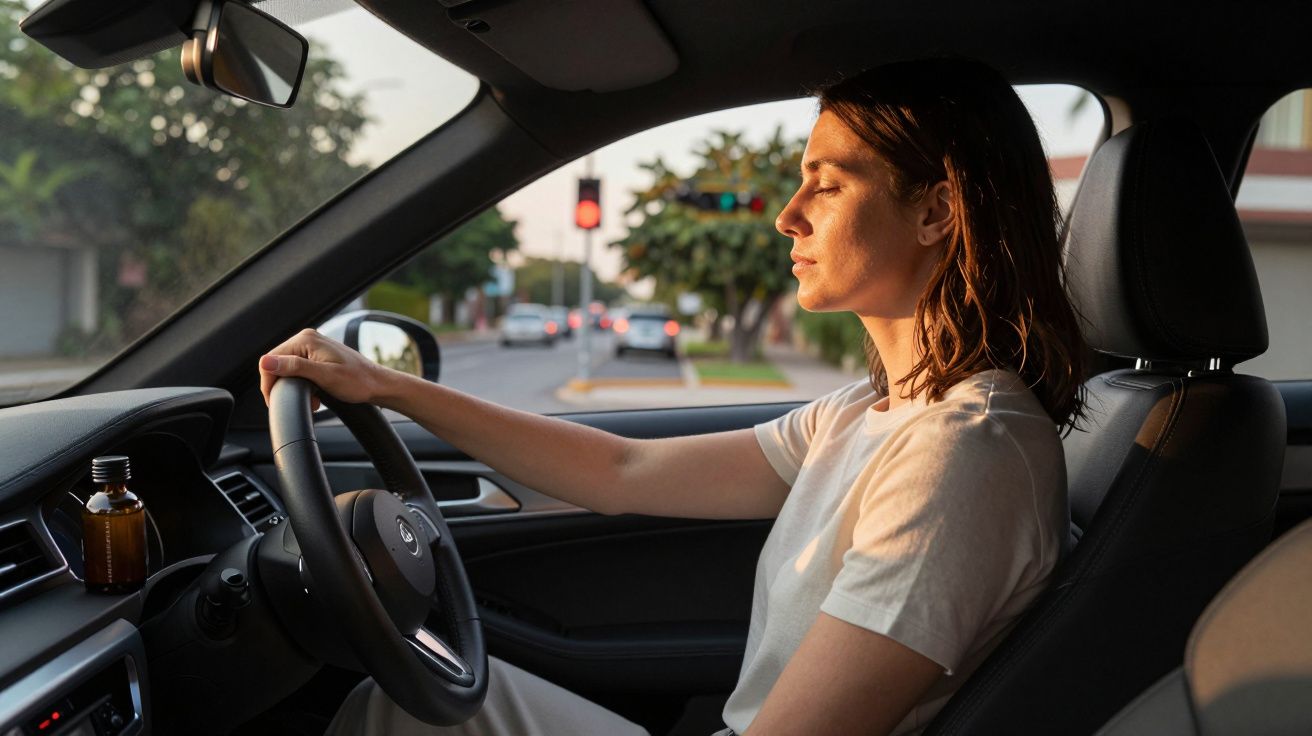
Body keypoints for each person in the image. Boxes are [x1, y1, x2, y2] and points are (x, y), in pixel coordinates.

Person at [258, 57, 1087, 736]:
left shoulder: (961, 452)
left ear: (938, 211)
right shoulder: (875, 415)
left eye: (827, 186)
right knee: (399, 704)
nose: (787, 217)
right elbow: (626, 469)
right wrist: (386, 385)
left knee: (403, 712)